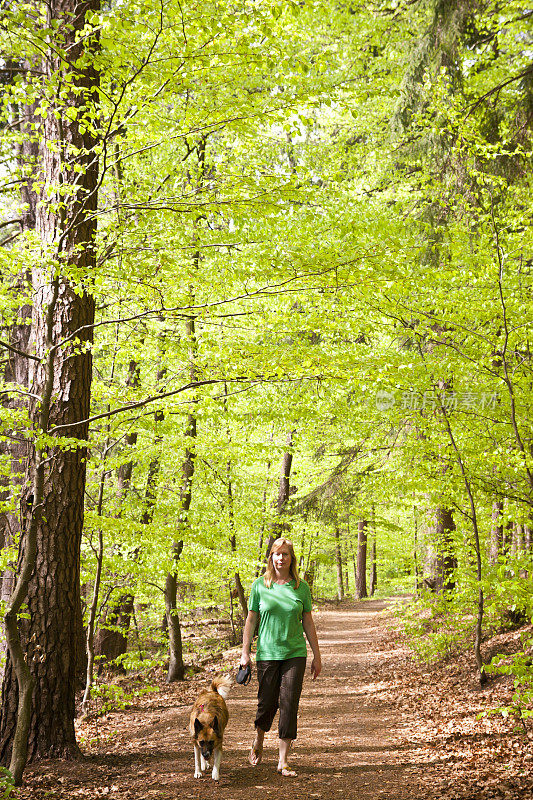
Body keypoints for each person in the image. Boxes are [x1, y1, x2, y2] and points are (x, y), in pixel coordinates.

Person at [240, 536, 322, 777]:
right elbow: (251, 619)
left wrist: (317, 656)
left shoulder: (301, 587)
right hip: (267, 653)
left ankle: (283, 760)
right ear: (271, 557)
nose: (281, 558)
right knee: (267, 703)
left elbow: (308, 620)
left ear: (291, 558)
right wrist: (245, 652)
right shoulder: (259, 585)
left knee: (288, 704)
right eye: (277, 554)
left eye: (285, 554)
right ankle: (259, 738)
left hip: (295, 653)